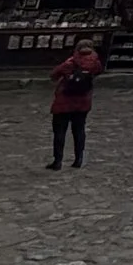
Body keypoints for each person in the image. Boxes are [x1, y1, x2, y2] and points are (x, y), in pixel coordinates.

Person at [48, 36, 103, 168]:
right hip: (83, 101)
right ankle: (78, 159)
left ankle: (58, 161)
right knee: (79, 130)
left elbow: (54, 75)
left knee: (60, 131)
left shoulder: (70, 63)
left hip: (64, 101)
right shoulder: (95, 63)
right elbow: (98, 72)